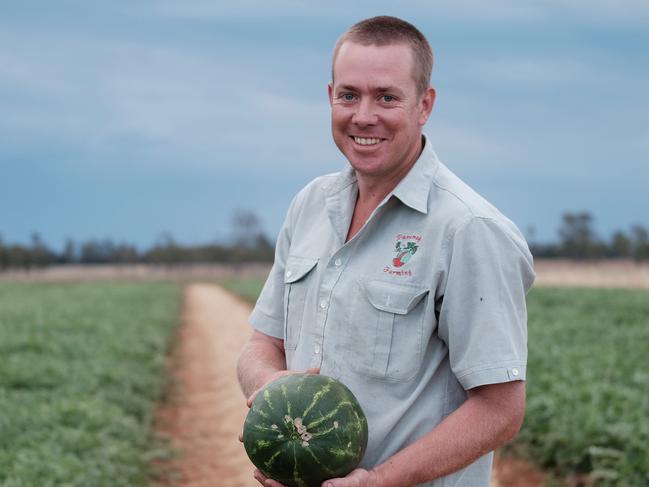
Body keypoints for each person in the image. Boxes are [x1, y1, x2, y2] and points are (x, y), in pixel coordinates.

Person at [237, 15, 535, 487]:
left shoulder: (469, 229)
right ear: (329, 96)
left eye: (387, 97)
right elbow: (262, 344)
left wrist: (379, 480)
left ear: (425, 105)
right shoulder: (310, 206)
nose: (363, 116)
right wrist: (270, 389)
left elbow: (500, 410)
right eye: (349, 95)